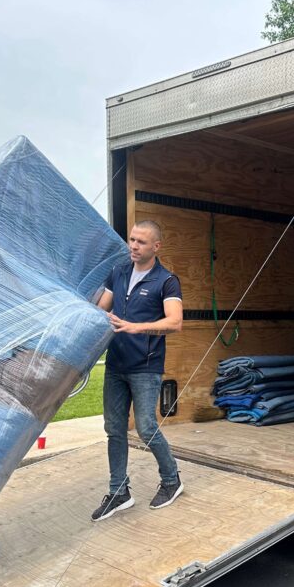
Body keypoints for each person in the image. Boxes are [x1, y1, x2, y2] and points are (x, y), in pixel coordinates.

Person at [92, 220, 184, 521]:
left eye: (141, 242)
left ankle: (172, 480)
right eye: (131, 240)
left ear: (156, 246)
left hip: (145, 367)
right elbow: (101, 309)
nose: (133, 246)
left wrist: (136, 327)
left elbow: (175, 322)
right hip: (116, 364)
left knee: (145, 427)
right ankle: (119, 491)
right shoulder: (118, 272)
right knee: (114, 429)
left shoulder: (166, 281)